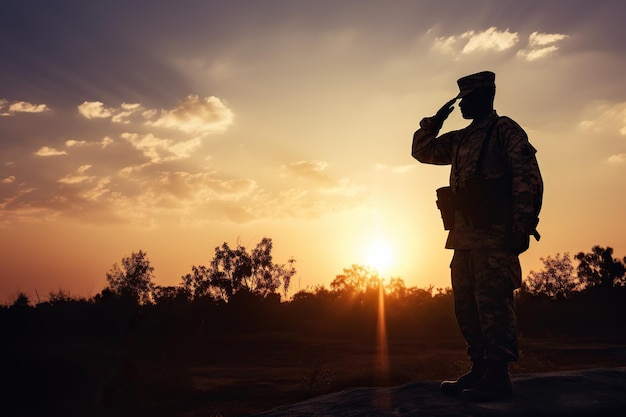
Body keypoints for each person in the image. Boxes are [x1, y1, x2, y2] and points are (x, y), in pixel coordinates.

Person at [411, 71, 543, 402]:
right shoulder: (461, 138)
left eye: (466, 99)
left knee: (493, 304)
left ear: (485, 97)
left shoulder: (504, 131)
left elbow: (528, 176)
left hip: (496, 236)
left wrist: (521, 226)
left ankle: (499, 376)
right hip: (464, 237)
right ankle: (481, 367)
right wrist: (434, 121)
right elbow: (423, 151)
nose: (462, 105)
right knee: (467, 306)